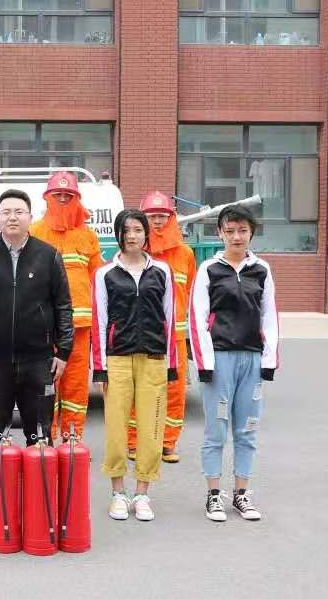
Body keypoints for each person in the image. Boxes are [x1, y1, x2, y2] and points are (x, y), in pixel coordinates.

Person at [0, 189, 74, 496]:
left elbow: (63, 305)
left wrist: (63, 351)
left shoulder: (48, 255)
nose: (12, 217)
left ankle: (39, 499)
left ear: (30, 217)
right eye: (6, 212)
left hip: (38, 360)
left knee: (40, 434)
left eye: (19, 211)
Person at [189, 204, 279, 523]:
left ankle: (242, 494)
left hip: (251, 358)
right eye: (230, 231)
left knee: (247, 429)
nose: (236, 237)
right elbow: (197, 317)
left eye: (242, 230)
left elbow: (269, 316)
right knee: (216, 430)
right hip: (220, 359)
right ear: (220, 233)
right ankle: (214, 495)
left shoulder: (262, 270)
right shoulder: (209, 269)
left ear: (251, 233)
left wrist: (269, 360)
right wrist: (205, 363)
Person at [92, 209, 178, 522]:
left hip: (153, 359)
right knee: (116, 430)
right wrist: (100, 367)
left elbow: (169, 318)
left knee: (151, 430)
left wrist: (171, 364)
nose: (132, 236)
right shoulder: (105, 273)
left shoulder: (162, 271)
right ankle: (118, 493)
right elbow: (100, 321)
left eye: (138, 230)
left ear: (146, 234)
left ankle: (142, 493)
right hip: (117, 360)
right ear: (118, 234)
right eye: (126, 230)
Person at [29, 171, 103, 441]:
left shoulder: (88, 235)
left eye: (68, 195)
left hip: (80, 328)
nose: (62, 198)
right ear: (47, 197)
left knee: (75, 385)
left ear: (76, 199)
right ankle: (45, 437)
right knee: (46, 383)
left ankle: (72, 437)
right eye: (57, 194)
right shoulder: (35, 232)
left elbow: (97, 280)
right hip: (44, 325)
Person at [125, 192, 197, 464]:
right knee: (136, 389)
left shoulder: (185, 254)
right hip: (142, 334)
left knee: (175, 390)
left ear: (171, 218)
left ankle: (167, 443)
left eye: (162, 216)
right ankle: (134, 442)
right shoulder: (135, 252)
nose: (157, 221)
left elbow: (189, 291)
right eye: (152, 216)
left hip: (174, 337)